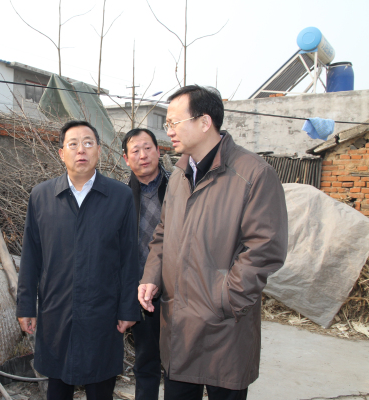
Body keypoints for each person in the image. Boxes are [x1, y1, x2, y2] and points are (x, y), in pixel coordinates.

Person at [138, 85, 288, 400]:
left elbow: (264, 249)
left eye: (174, 123)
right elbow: (163, 232)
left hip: (225, 326)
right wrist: (151, 277)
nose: (169, 131)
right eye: (167, 124)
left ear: (205, 122)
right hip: (179, 328)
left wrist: (224, 297)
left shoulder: (253, 174)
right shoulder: (178, 176)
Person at [16, 120, 140, 400]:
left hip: (103, 314)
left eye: (88, 143)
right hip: (56, 312)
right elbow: (31, 257)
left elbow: (129, 258)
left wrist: (128, 309)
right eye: (73, 144)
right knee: (58, 388)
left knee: (101, 388)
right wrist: (26, 306)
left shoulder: (120, 196)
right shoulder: (42, 196)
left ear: (99, 150)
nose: (81, 150)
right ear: (62, 153)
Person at [121, 128, 171, 400]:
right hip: (142, 293)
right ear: (125, 158)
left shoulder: (179, 187)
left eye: (148, 148)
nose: (143, 155)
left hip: (179, 291)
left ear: (158, 151)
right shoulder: (120, 196)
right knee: (146, 360)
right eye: (135, 151)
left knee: (180, 363)